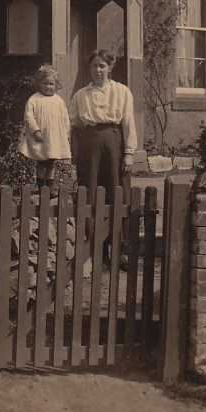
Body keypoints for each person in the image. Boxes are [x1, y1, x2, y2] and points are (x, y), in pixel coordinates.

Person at [69, 49, 137, 263]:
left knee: (117, 191)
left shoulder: (122, 91)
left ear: (110, 68)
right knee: (89, 190)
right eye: (94, 66)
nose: (97, 70)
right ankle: (94, 250)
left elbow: (128, 123)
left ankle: (119, 251)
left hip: (114, 143)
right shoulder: (81, 95)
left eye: (102, 66)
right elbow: (71, 124)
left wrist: (128, 153)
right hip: (89, 144)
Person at [18, 64, 71, 193]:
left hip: (54, 137)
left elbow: (65, 118)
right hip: (40, 136)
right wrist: (35, 130)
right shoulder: (34, 99)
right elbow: (28, 117)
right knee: (41, 161)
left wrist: (65, 133)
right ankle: (41, 185)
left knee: (51, 162)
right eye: (45, 83)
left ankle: (50, 185)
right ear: (39, 84)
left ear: (56, 85)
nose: (48, 87)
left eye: (51, 84)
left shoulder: (59, 100)